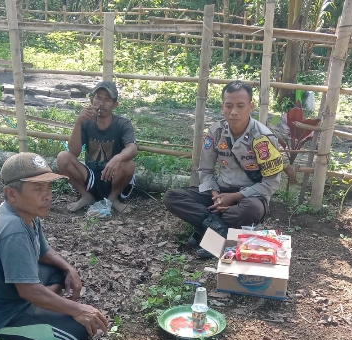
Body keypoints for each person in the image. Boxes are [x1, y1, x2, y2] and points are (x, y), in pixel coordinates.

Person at [0, 152, 108, 340]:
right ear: (12, 194)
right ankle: (35, 309)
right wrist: (77, 309)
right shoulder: (13, 230)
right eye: (37, 189)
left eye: (48, 187)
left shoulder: (26, 214)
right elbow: (28, 291)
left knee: (58, 271)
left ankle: (42, 304)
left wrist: (69, 268)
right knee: (79, 330)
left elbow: (44, 252)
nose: (47, 196)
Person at [164, 81, 283, 257]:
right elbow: (205, 170)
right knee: (172, 197)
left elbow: (271, 183)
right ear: (222, 107)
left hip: (250, 196)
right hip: (219, 192)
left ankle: (206, 231)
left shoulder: (263, 137)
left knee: (250, 210)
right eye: (229, 106)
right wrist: (216, 196)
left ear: (250, 107)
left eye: (240, 106)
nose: (234, 111)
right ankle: (219, 231)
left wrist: (234, 197)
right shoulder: (216, 132)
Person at [57, 81, 138, 213]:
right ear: (91, 100)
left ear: (115, 105)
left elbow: (132, 148)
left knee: (128, 164)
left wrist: (117, 158)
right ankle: (86, 196)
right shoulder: (86, 122)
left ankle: (112, 198)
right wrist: (78, 123)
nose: (101, 103)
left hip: (114, 177)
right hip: (90, 177)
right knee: (63, 157)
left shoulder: (122, 124)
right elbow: (73, 152)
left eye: (107, 100)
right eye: (98, 98)